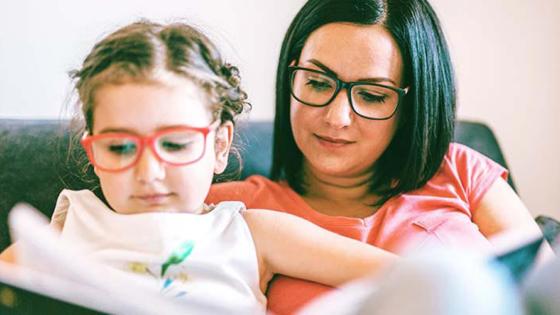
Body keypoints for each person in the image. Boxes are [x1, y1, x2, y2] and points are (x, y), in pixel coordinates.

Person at [0, 20, 398, 314]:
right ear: (92, 153)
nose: (149, 172)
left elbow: (402, 279)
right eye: (120, 147)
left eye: (174, 144)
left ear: (219, 145)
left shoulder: (249, 232)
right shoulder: (71, 223)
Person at [205, 0, 549, 313]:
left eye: (371, 96)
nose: (336, 117)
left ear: (412, 107)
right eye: (318, 83)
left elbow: (544, 291)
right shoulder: (228, 209)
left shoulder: (461, 171)